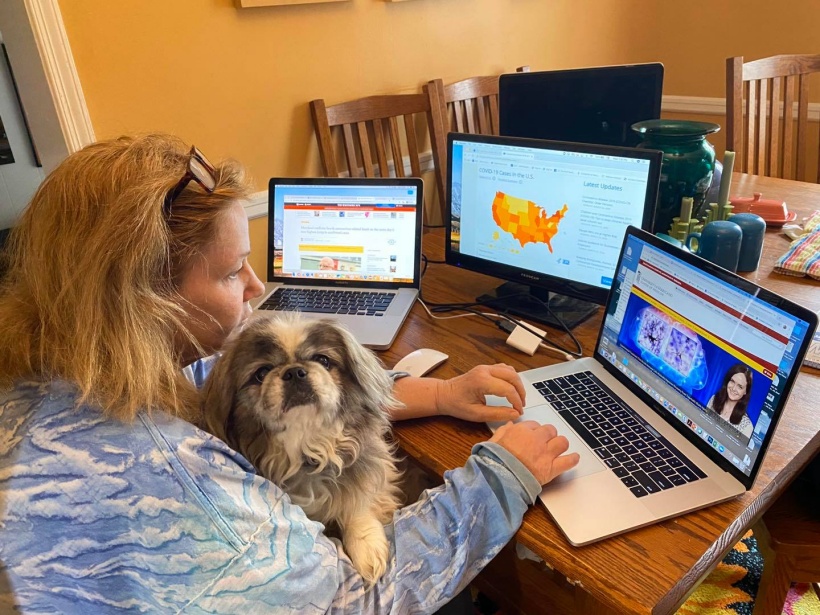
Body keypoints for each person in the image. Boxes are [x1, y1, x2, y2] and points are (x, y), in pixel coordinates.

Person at [0, 134, 579, 614]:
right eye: (232, 273)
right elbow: (357, 601)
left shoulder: (58, 369)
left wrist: (441, 392)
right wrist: (504, 476)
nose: (256, 289)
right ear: (146, 302)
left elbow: (219, 383)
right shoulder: (174, 487)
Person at [707, 363, 754, 438]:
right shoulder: (713, 399)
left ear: (745, 391)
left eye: (740, 386)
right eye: (732, 381)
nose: (734, 388)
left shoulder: (747, 426)